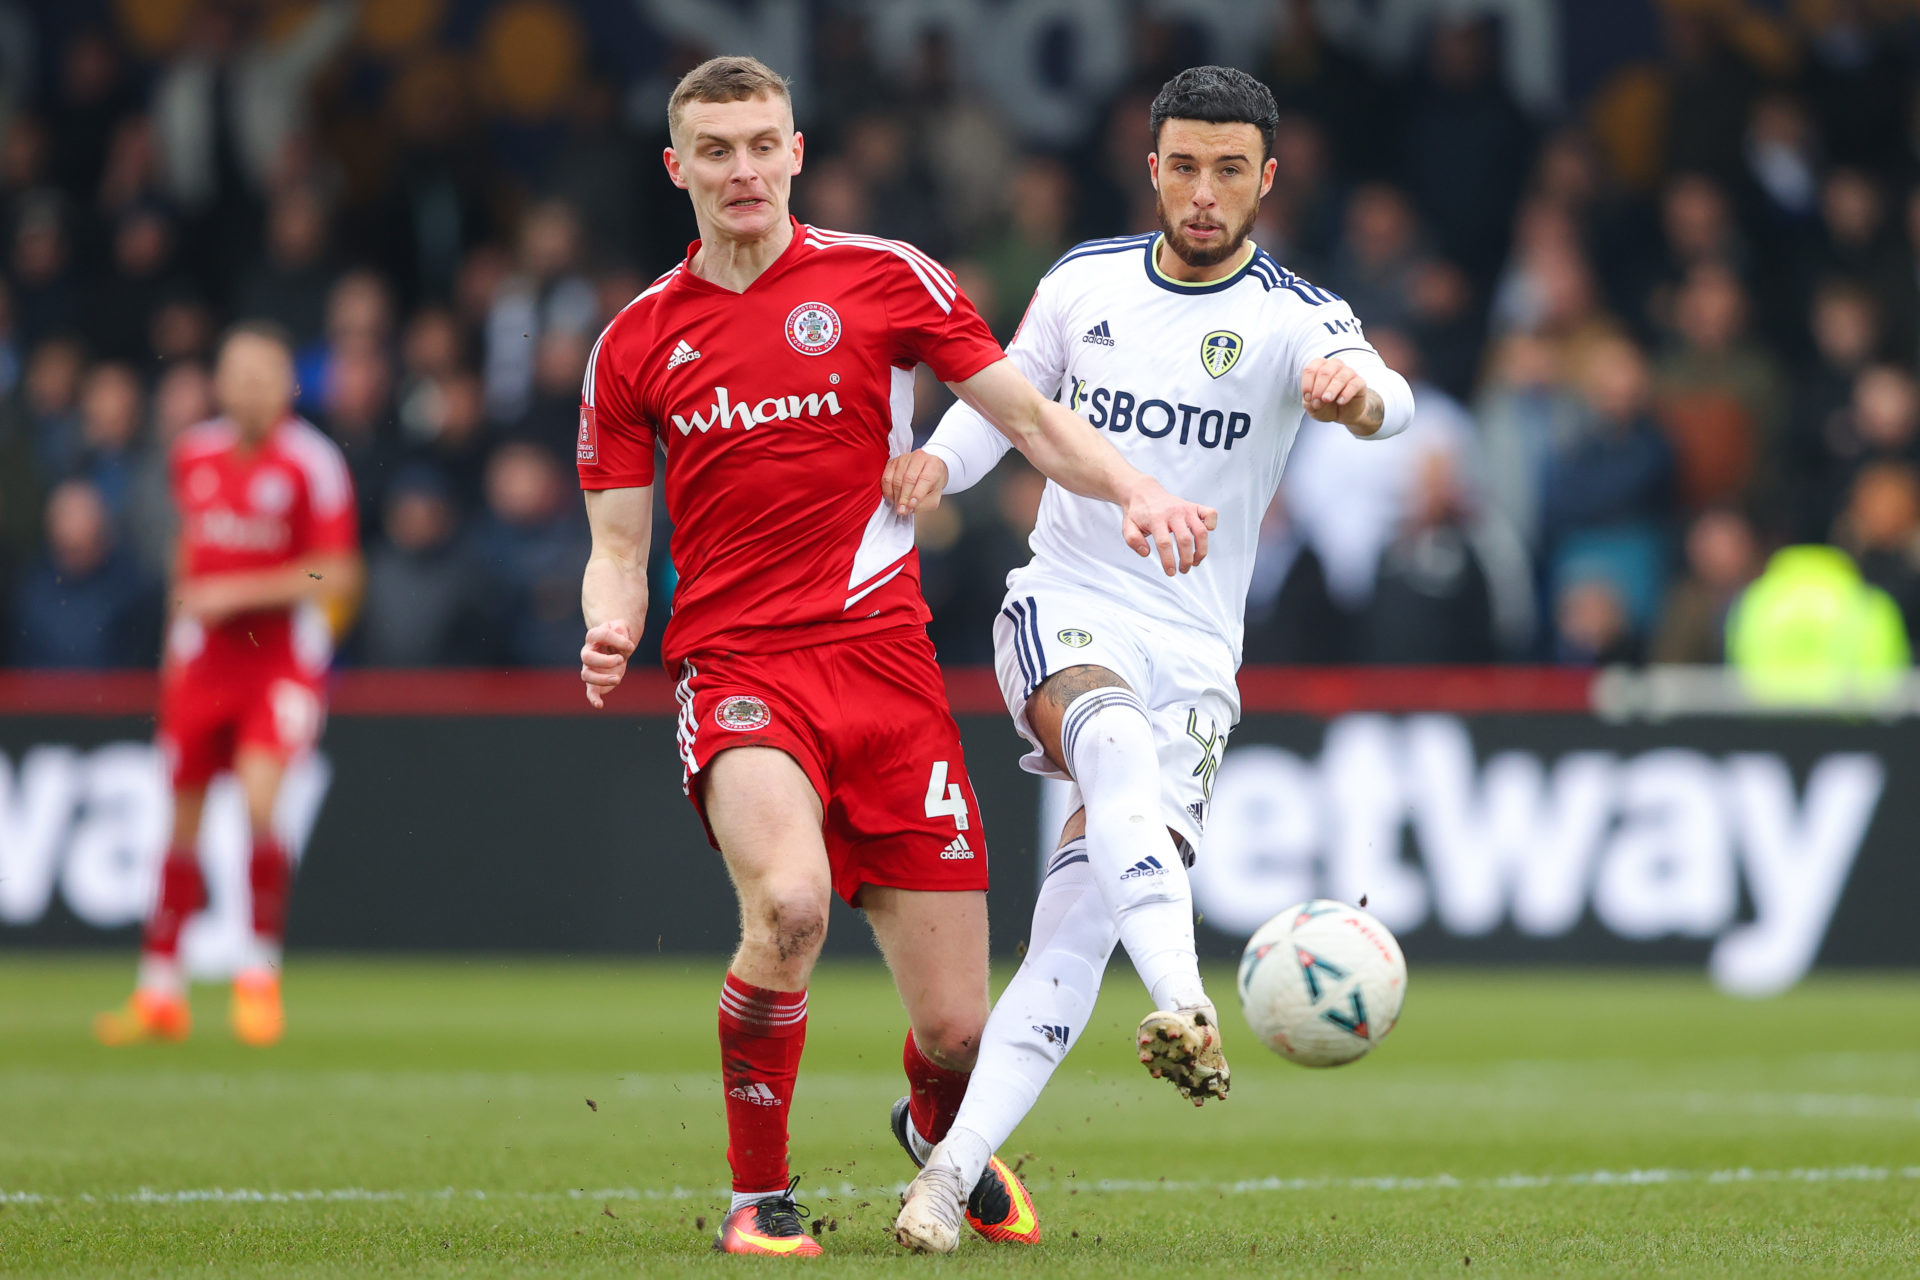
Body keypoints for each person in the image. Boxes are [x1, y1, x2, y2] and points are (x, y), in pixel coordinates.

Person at [573, 57, 1215, 1258]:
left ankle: (937, 1133)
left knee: (965, 1031)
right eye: (716, 150)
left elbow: (1025, 414)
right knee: (792, 907)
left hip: (887, 672)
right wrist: (611, 616)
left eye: (762, 143)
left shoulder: (884, 279)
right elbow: (617, 541)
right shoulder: (635, 343)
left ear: (797, 152)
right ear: (679, 168)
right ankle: (760, 1196)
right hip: (741, 665)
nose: (743, 169)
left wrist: (1134, 488)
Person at [883, 66, 1414, 1253]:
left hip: (1197, 658)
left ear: (1268, 180)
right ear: (1153, 168)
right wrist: (937, 469)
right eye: (1185, 165)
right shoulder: (1086, 281)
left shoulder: (1294, 316)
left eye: (1232, 169)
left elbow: (1394, 399)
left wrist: (1356, 395)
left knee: (1073, 927)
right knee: (1107, 739)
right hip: (1066, 602)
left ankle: (944, 1173)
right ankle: (1185, 999)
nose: (1205, 191)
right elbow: (999, 403)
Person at [94, 322, 362, 1049]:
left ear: (288, 385)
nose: (248, 388)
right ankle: (159, 991)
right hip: (201, 662)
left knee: (259, 799)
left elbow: (336, 575)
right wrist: (171, 652)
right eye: (236, 375)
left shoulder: (313, 464)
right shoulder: (195, 454)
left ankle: (257, 976)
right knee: (176, 820)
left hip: (274, 661)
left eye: (262, 375)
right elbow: (190, 557)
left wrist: (241, 591)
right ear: (218, 383)